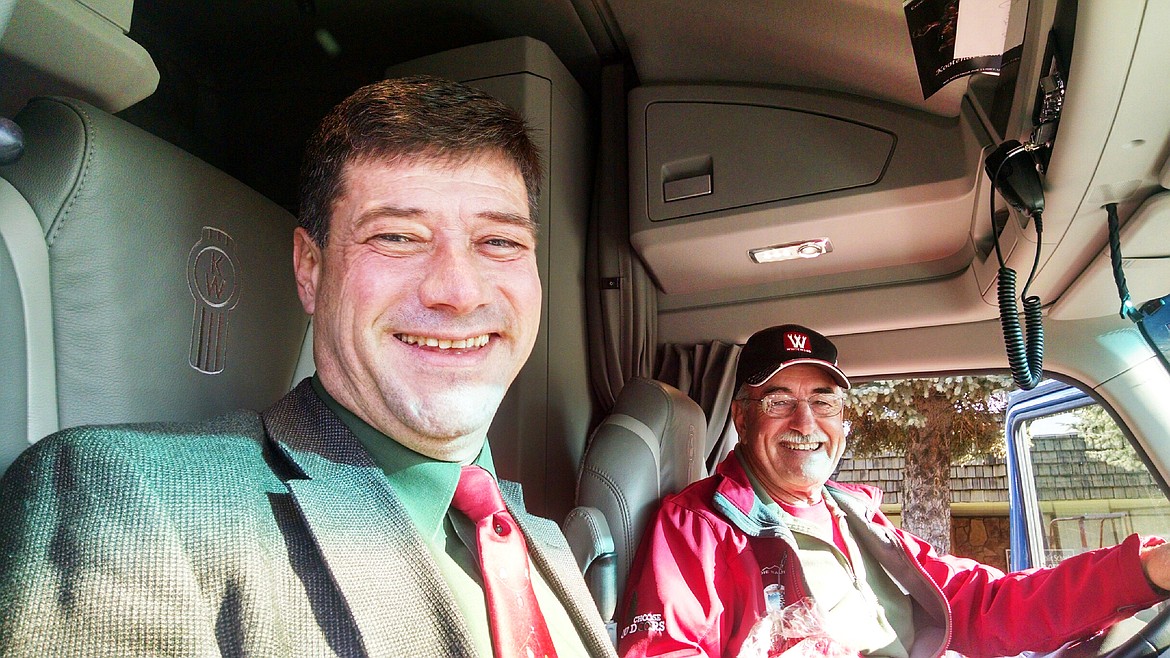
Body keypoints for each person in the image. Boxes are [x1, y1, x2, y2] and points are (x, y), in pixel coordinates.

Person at [0, 76, 616, 657]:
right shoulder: (129, 501)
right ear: (311, 271)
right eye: (397, 237)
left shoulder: (550, 544)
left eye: (499, 242)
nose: (458, 291)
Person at [617, 323, 1170, 658]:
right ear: (741, 417)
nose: (805, 422)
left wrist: (1143, 572)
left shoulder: (854, 516)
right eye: (779, 399)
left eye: (824, 401)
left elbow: (978, 603)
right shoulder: (694, 529)